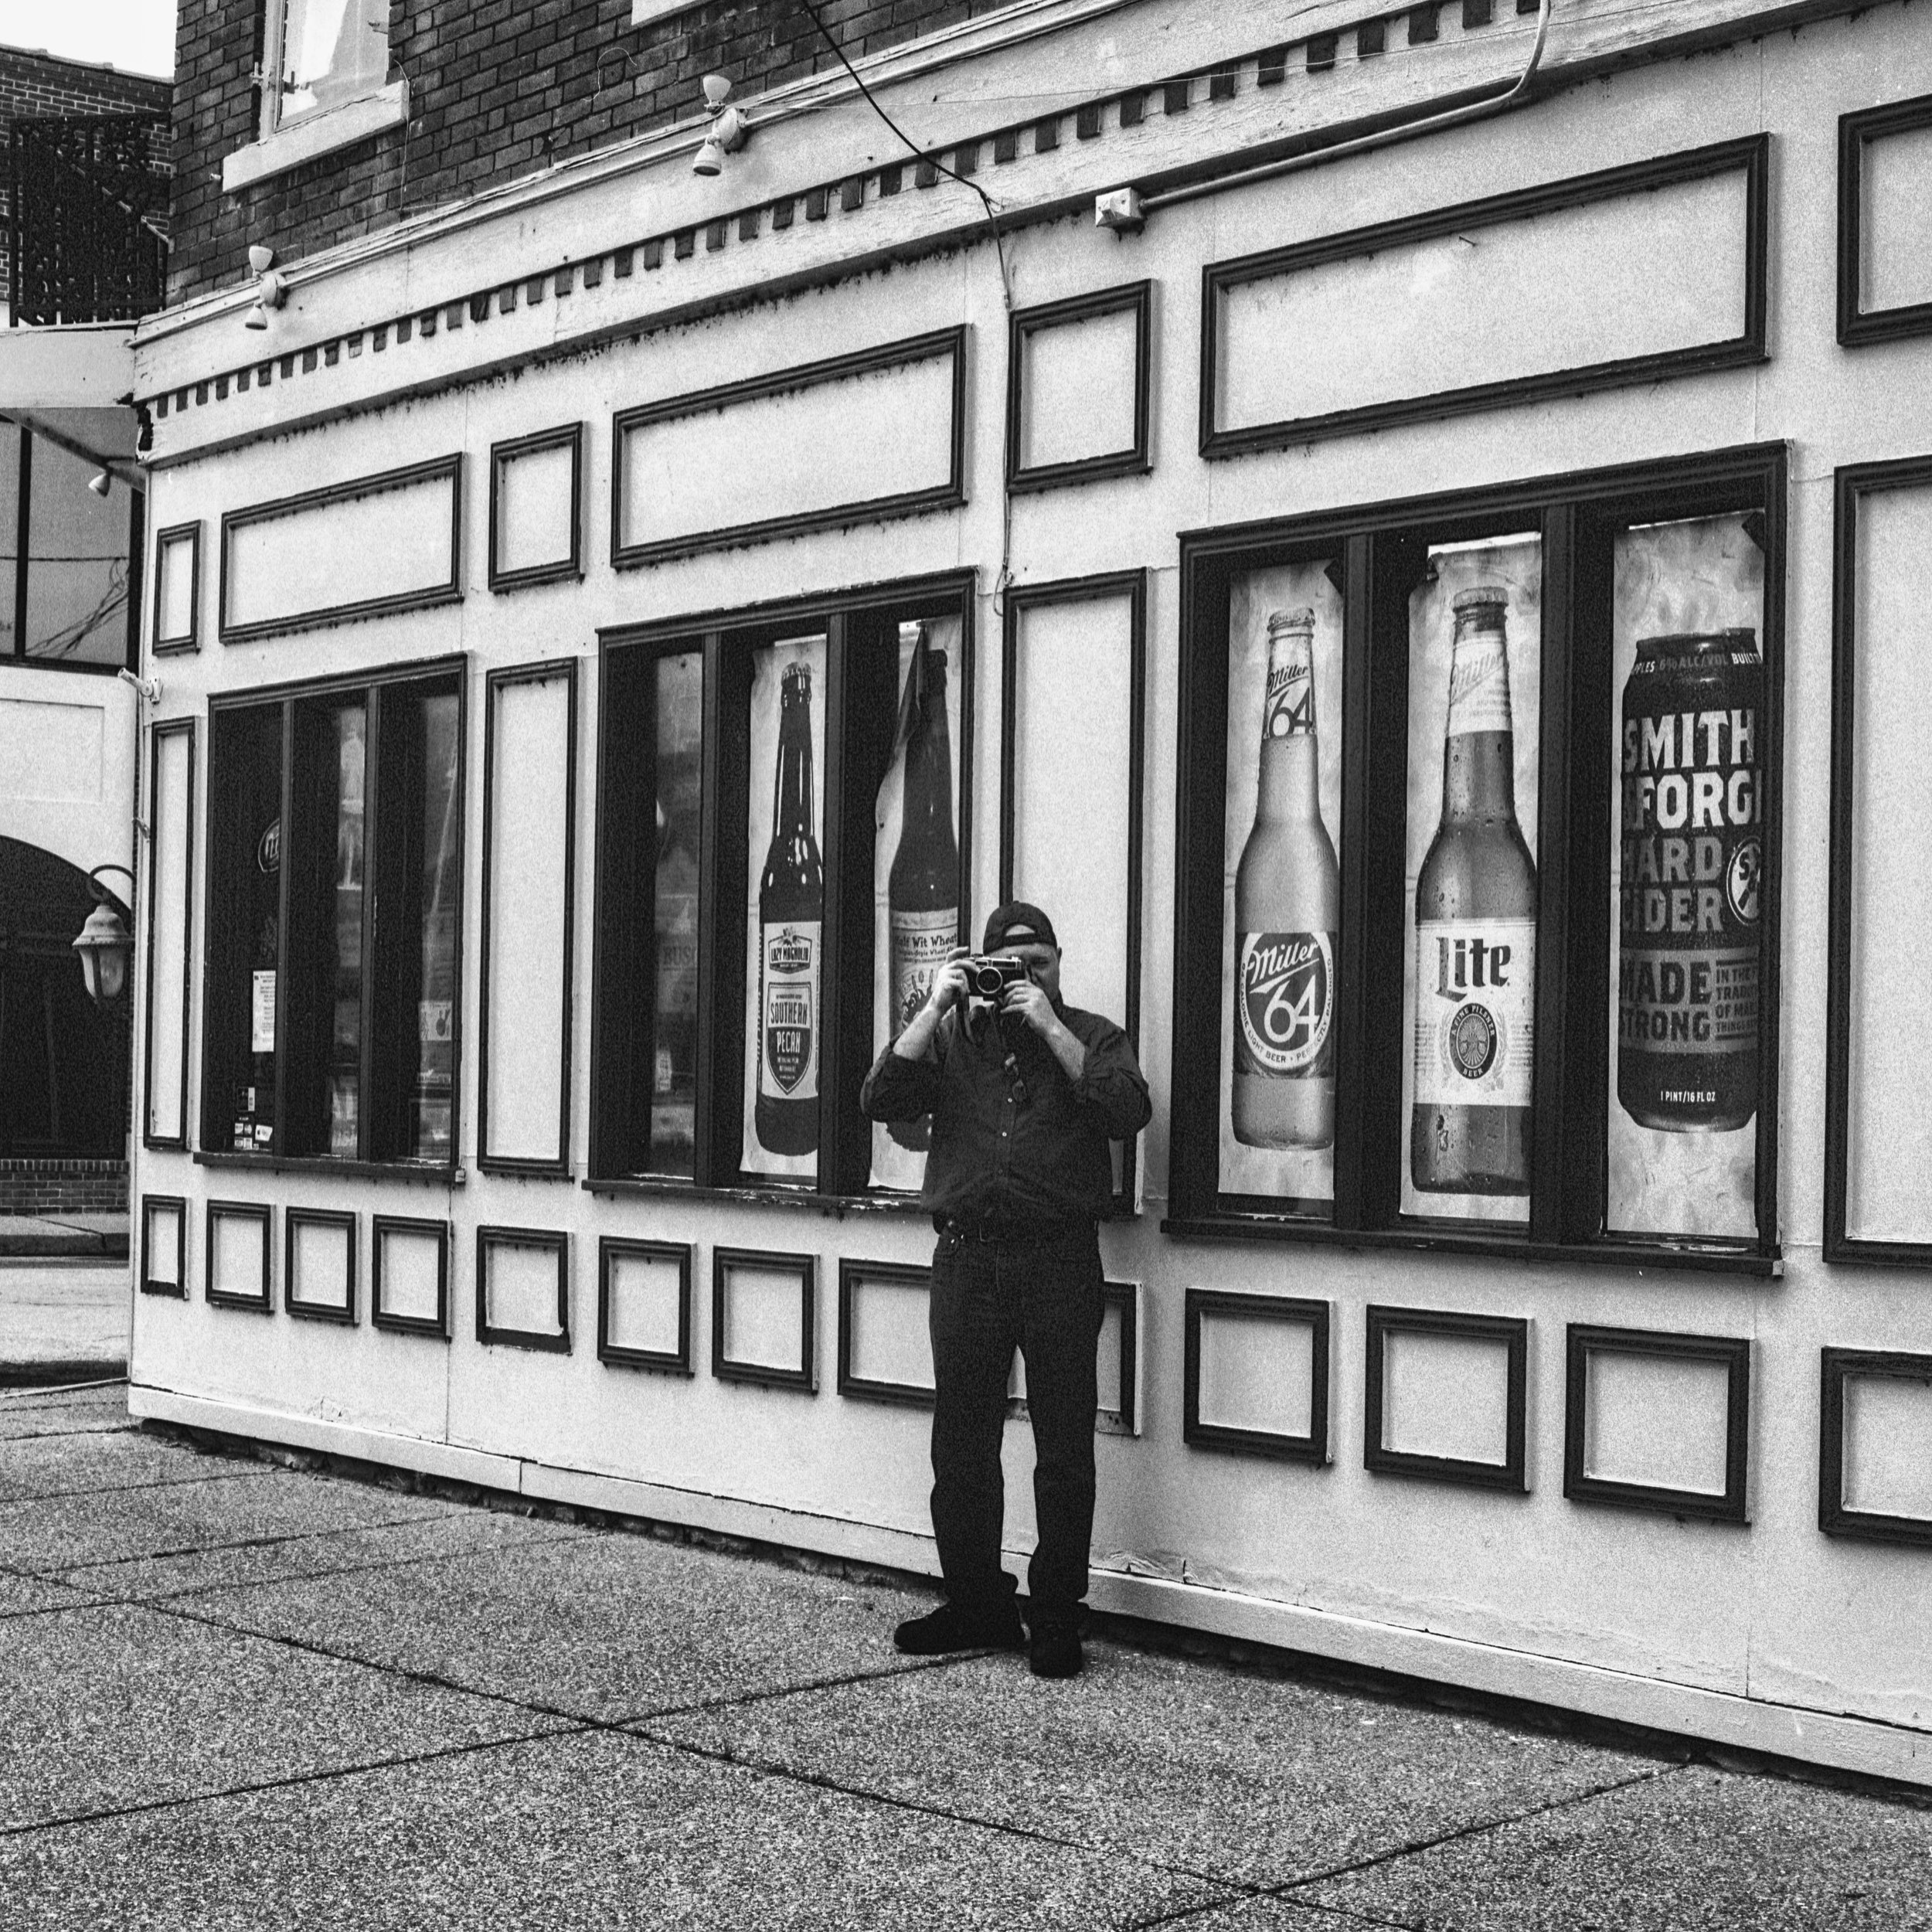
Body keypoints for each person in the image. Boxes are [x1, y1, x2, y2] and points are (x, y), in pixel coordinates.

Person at [859, 901, 1151, 1679]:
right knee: (961, 1444)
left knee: (1063, 1449)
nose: (1023, 978)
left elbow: (1127, 1108)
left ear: (1059, 964)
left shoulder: (1090, 1036)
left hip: (1059, 1259)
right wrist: (937, 1003)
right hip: (967, 1260)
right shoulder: (950, 1038)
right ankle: (974, 1602)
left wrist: (1049, 1023)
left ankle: (1055, 1615)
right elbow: (881, 1100)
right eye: (1006, 966)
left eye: (1039, 964)